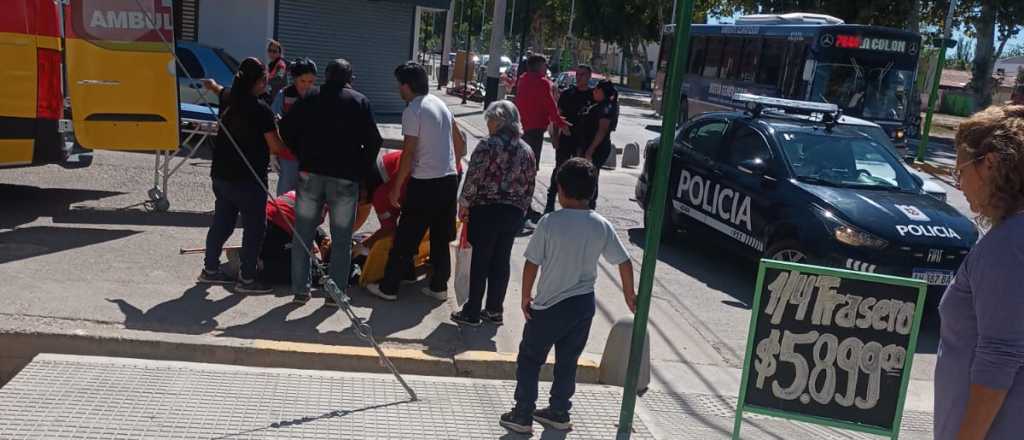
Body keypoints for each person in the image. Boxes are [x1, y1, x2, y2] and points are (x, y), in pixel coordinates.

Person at [499, 158, 636, 434]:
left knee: (530, 358)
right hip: (583, 305)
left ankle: (523, 413)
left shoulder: (550, 223)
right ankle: (559, 411)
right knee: (567, 361)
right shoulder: (601, 224)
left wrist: (525, 297)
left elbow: (531, 263)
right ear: (592, 191)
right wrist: (629, 296)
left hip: (549, 305)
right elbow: (624, 261)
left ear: (560, 190)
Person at [934, 105, 1024, 440]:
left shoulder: (1008, 245)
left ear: (989, 164)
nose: (960, 184)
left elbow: (1000, 356)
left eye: (960, 171)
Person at [279, 58, 383, 307]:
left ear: (325, 76)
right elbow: (374, 141)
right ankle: (334, 294)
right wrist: (359, 168)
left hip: (309, 176)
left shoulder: (310, 97)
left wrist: (300, 152)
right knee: (342, 238)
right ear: (350, 79)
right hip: (345, 179)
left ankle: (300, 290)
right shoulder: (359, 101)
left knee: (303, 233)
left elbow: (286, 128)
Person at [367, 62, 466, 301]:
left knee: (406, 237)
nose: (398, 89)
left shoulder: (413, 110)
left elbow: (409, 153)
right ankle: (439, 287)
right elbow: (461, 144)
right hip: (449, 179)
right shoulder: (440, 105)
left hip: (425, 183)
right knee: (441, 238)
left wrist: (397, 187)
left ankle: (389, 287)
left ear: (407, 85)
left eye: (399, 84)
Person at [196, 58, 287, 294]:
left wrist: (211, 84)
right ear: (256, 82)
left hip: (221, 175)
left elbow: (219, 89)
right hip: (248, 179)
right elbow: (276, 147)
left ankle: (210, 270)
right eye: (264, 79)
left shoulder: (228, 97)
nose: (267, 82)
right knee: (255, 228)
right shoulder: (260, 110)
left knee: (222, 222)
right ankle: (247, 279)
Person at [450, 101, 536, 327]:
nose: (487, 124)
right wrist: (522, 210)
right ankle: (494, 310)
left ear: (499, 121)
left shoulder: (488, 146)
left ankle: (472, 311)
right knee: (501, 260)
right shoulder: (527, 150)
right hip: (513, 213)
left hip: (485, 210)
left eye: (489, 119)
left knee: (480, 260)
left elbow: (474, 177)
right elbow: (530, 185)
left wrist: (464, 203)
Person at [514, 54, 569, 222]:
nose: (547, 69)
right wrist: (561, 123)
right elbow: (550, 106)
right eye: (545, 66)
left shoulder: (522, 80)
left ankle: (520, 203)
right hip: (535, 130)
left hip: (521, 128)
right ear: (539, 67)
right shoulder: (543, 82)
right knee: (531, 170)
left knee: (521, 168)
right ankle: (526, 207)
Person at [546, 65, 593, 213]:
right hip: (566, 139)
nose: (579, 77)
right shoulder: (568, 94)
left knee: (583, 172)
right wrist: (554, 136)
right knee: (560, 169)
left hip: (584, 140)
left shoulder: (593, 96)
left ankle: (583, 204)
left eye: (583, 74)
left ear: (589, 76)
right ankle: (550, 201)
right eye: (578, 74)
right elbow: (557, 116)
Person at [260, 190, 330, 285]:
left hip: (260, 224)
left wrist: (321, 238)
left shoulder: (299, 192)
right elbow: (307, 231)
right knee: (296, 269)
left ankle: (258, 260)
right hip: (275, 230)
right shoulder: (322, 204)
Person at [271, 58, 317, 196]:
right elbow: (272, 121)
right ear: (294, 79)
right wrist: (273, 152)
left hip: (311, 156)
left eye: (311, 81)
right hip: (288, 155)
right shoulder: (284, 95)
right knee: (286, 195)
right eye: (303, 81)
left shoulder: (318, 96)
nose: (307, 85)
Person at [578, 80, 619, 209]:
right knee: (585, 176)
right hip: (589, 145)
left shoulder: (607, 107)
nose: (593, 92)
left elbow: (602, 130)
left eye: (597, 90)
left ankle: (590, 205)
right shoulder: (598, 104)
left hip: (597, 147)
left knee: (591, 177)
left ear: (603, 92)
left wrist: (590, 149)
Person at [265, 40, 288, 105]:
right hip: (274, 97)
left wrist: (265, 81)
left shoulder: (281, 65)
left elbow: (279, 78)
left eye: (274, 51)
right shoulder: (272, 65)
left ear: (279, 53)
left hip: (280, 99)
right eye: (270, 50)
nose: (271, 53)